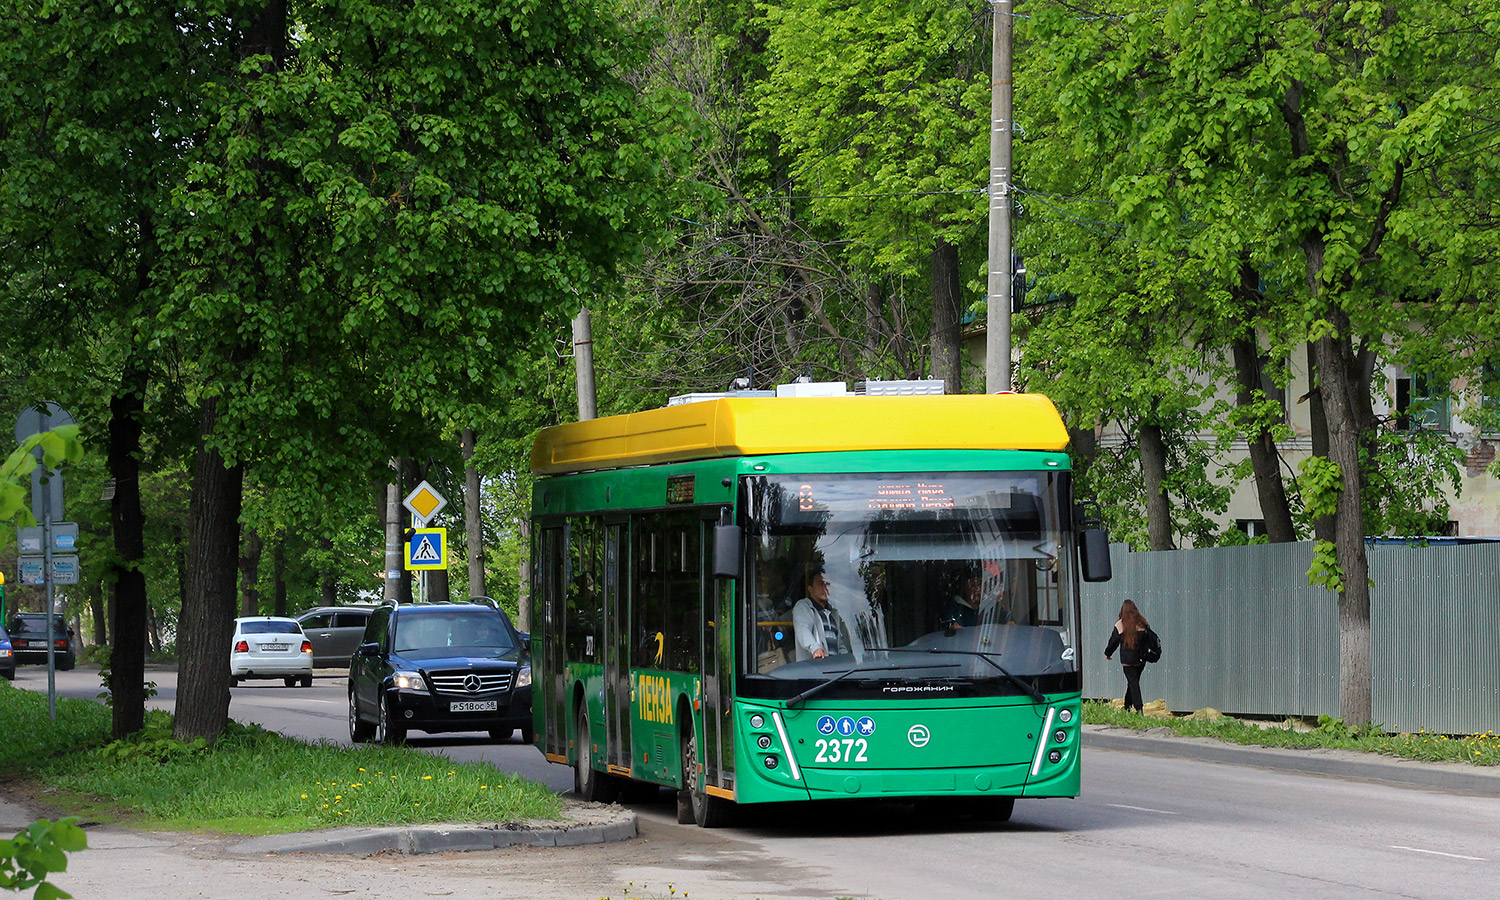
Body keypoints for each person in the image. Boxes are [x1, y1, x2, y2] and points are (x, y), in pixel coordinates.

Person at [1104, 598, 1152, 713]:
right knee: (1133, 682)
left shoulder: (1120, 624)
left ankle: (1139, 709)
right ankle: (1127, 707)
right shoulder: (1142, 623)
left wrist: (1108, 653)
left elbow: (1113, 642)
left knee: (1133, 682)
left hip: (1128, 660)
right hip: (1141, 659)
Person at [792, 566, 850, 660]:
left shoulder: (833, 614)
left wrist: (846, 659)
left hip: (836, 670)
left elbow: (839, 644)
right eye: (820, 584)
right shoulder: (803, 607)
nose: (825, 587)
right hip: (814, 670)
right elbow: (803, 629)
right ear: (810, 589)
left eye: (827, 584)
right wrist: (815, 648)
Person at [942, 571, 1012, 628]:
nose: (977, 589)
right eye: (972, 585)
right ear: (963, 588)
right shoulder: (955, 608)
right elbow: (953, 630)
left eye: (979, 584)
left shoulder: (992, 605)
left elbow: (1009, 621)